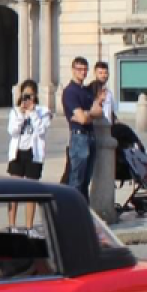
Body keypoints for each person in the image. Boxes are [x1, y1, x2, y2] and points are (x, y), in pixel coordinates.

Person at [61, 57, 96, 193]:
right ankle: (70, 211)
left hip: (91, 136)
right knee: (76, 180)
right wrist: (88, 115)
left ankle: (83, 211)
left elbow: (97, 111)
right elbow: (82, 119)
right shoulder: (70, 91)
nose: (83, 72)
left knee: (86, 181)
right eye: (79, 69)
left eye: (85, 69)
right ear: (73, 70)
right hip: (79, 138)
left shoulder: (87, 91)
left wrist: (87, 114)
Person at [7, 79, 50, 181]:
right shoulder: (15, 111)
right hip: (17, 153)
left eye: (30, 95)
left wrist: (32, 113)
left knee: (32, 187)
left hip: (34, 153)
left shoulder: (43, 111)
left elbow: (42, 131)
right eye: (25, 95)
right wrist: (21, 115)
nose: (28, 99)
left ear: (35, 96)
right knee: (16, 186)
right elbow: (12, 131)